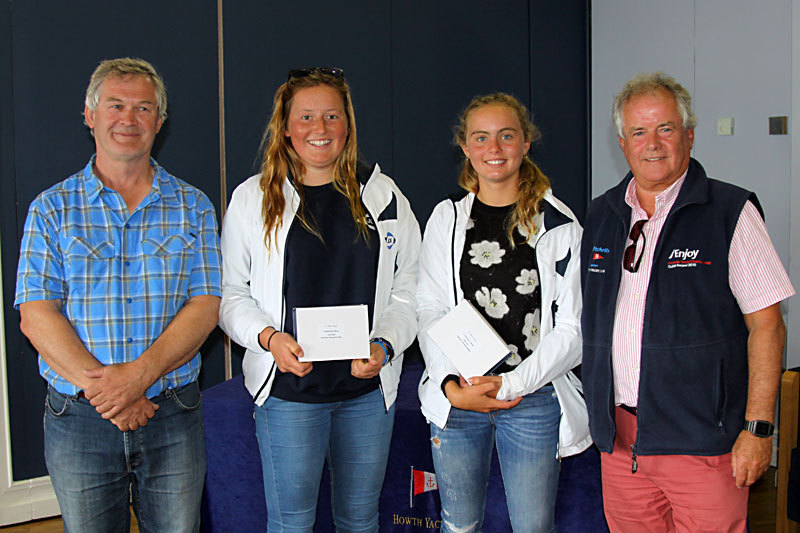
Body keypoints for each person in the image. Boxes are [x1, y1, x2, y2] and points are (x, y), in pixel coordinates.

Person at [581, 72, 795, 532]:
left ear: (689, 135)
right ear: (622, 144)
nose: (652, 144)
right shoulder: (601, 215)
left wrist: (758, 429)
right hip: (621, 445)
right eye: (639, 132)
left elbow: (768, 326)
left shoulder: (730, 211)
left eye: (666, 128)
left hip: (704, 446)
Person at [14, 57, 222, 531]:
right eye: (115, 105)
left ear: (159, 121)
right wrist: (112, 393)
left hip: (172, 414)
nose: (129, 119)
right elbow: (37, 313)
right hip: (79, 419)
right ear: (90, 116)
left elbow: (206, 305)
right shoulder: (51, 209)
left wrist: (138, 378)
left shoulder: (193, 206)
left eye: (143, 108)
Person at [218, 67, 420, 531]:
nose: (320, 128)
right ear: (286, 127)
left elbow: (408, 291)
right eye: (306, 116)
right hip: (289, 392)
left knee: (359, 522)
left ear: (347, 124)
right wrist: (269, 339)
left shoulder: (384, 196)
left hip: (366, 392)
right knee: (291, 524)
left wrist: (385, 345)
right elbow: (232, 296)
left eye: (332, 115)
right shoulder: (253, 199)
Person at [416, 93, 591, 532]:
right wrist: (450, 384)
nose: (493, 149)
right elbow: (430, 307)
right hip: (460, 396)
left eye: (506, 136)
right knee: (459, 526)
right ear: (465, 147)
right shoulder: (446, 218)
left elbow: (573, 331)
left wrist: (511, 384)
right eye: (481, 138)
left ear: (526, 143)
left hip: (532, 397)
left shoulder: (560, 225)